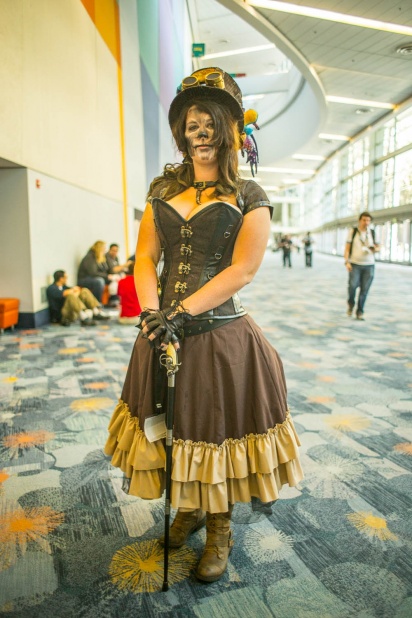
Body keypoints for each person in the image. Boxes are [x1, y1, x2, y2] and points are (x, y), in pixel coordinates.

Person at [104, 67, 303, 583]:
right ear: (182, 131)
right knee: (173, 428)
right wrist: (153, 315)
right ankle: (189, 510)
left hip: (220, 337)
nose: (201, 132)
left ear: (231, 130)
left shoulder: (249, 194)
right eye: (192, 123)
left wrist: (179, 313)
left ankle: (219, 528)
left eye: (210, 122)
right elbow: (145, 257)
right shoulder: (163, 189)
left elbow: (243, 270)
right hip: (161, 331)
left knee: (214, 433)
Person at [344, 211, 380, 320]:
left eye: (368, 220)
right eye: (364, 220)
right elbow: (347, 248)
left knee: (364, 289)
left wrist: (374, 249)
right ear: (360, 220)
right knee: (352, 286)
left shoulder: (372, 233)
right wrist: (347, 261)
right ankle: (351, 303)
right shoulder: (353, 232)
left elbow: (378, 247)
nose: (366, 222)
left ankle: (360, 311)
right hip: (355, 264)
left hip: (369, 265)